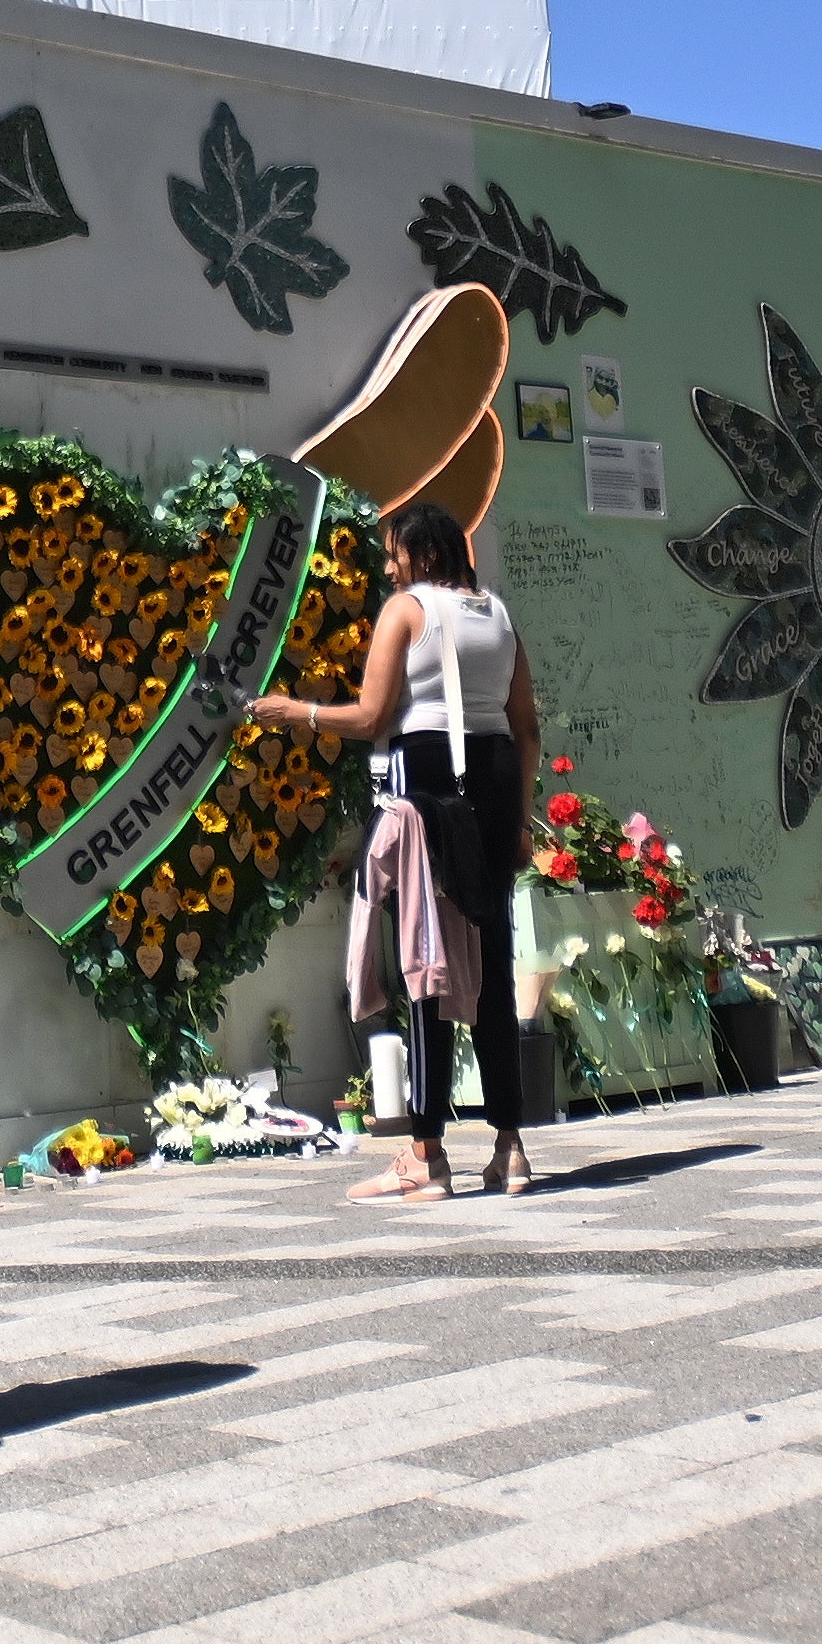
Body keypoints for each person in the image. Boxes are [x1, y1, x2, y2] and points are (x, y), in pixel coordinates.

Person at [248, 497, 537, 1198]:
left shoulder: (407, 610)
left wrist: (298, 712)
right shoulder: (497, 614)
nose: (388, 567)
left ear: (424, 554)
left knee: (425, 960)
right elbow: (527, 726)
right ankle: (510, 1147)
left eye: (393, 553)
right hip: (495, 782)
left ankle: (425, 1156)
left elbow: (373, 715)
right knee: (491, 961)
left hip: (428, 782)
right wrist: (523, 819)